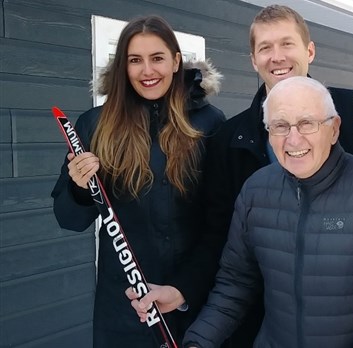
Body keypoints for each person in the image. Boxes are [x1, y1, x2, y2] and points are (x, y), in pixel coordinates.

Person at [178, 76, 353, 348]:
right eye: (280, 126)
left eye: (306, 123)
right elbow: (235, 284)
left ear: (334, 129)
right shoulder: (256, 191)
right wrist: (197, 342)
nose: (293, 138)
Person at [51, 15, 225, 347]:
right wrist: (78, 187)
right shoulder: (96, 125)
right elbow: (68, 219)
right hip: (124, 309)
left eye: (157, 58)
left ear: (175, 62)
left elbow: (220, 224)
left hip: (192, 305)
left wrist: (185, 289)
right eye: (135, 60)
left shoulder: (210, 123)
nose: (147, 71)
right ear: (123, 67)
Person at [202, 5, 353, 346]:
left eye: (286, 44)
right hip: (259, 324)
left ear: (309, 50)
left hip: (346, 323)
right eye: (265, 48)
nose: (277, 57)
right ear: (253, 60)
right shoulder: (229, 141)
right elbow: (216, 241)